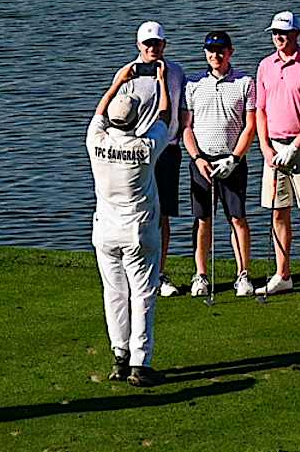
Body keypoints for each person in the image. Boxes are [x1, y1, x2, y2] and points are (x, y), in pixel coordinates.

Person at [87, 87, 172, 386]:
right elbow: (165, 115)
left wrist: (118, 81)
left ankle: (119, 357)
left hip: (106, 232)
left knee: (114, 294)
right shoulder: (145, 146)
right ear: (136, 121)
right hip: (139, 232)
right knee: (143, 294)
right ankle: (140, 362)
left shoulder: (95, 141)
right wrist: (162, 82)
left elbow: (99, 113)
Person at [99, 21, 188, 298]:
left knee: (163, 215)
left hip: (168, 151)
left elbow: (180, 111)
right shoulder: (127, 75)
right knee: (135, 211)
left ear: (164, 44)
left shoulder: (175, 72)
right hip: (136, 152)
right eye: (148, 44)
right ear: (138, 45)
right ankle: (130, 270)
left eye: (157, 43)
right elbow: (115, 118)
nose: (153, 48)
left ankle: (158, 273)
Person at [252, 10, 300, 299]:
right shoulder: (265, 66)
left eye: (284, 33)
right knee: (278, 212)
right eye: (275, 33)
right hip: (273, 147)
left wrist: (296, 147)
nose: (278, 38)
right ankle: (282, 275)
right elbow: (260, 111)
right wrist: (265, 148)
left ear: (296, 34)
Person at [182, 30, 256, 297]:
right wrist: (197, 158)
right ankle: (200, 274)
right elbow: (186, 128)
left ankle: (243, 274)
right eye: (211, 51)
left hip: (232, 161)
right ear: (205, 53)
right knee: (202, 219)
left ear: (230, 52)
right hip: (202, 162)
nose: (216, 55)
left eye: (221, 50)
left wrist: (235, 158)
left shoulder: (245, 83)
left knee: (237, 218)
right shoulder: (193, 85)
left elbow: (251, 127)